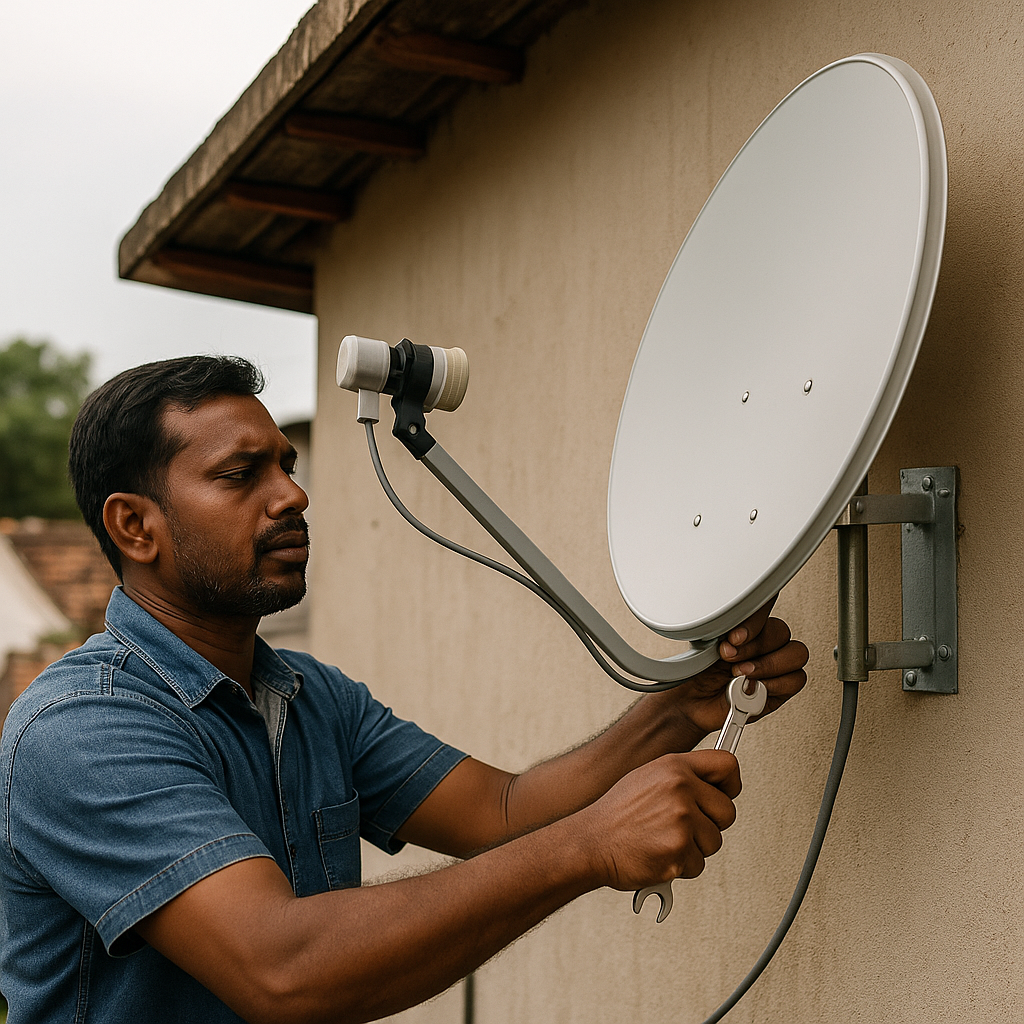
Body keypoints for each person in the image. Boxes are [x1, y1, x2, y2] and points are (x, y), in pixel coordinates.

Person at [0, 356, 808, 1023]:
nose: (292, 494)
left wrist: (682, 707)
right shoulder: (82, 728)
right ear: (135, 527)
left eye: (285, 464)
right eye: (241, 475)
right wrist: (590, 844)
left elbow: (504, 813)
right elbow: (284, 970)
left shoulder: (310, 695)